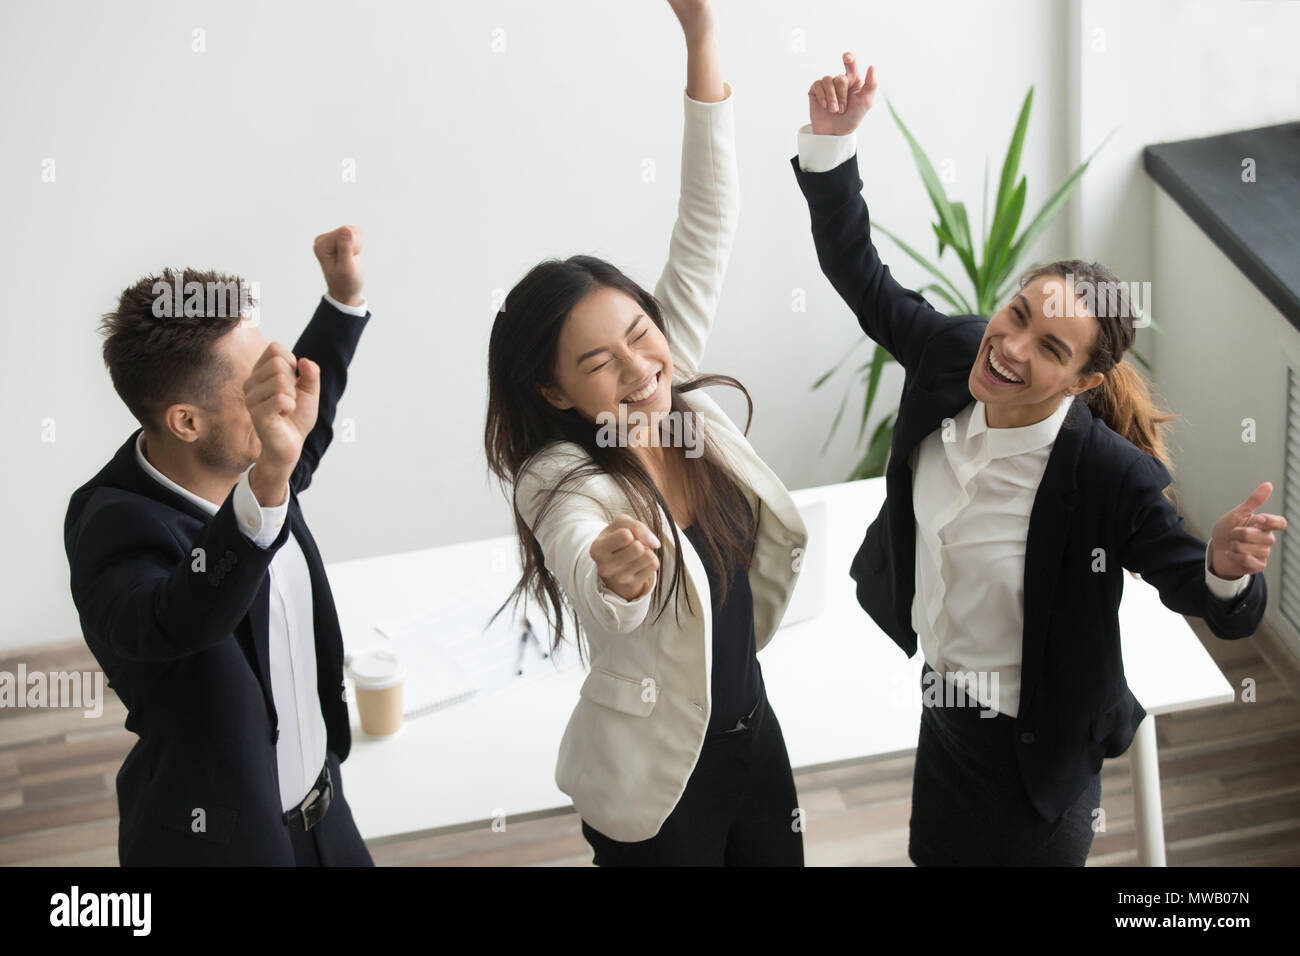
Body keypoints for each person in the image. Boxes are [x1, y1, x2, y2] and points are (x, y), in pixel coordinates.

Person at [792, 54, 1282, 865]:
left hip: (1038, 754)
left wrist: (1228, 568)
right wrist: (833, 146)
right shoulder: (954, 351)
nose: (1009, 347)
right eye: (1016, 314)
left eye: (1049, 347)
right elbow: (861, 277)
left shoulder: (1108, 479)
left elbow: (1199, 587)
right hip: (944, 712)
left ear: (1085, 381)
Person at [484, 0, 806, 866]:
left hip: (752, 734)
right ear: (554, 390)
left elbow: (707, 222)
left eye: (640, 333)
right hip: (661, 784)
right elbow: (584, 557)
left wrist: (701, 38)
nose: (638, 369)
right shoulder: (558, 478)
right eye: (599, 363)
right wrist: (613, 575)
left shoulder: (674, 395)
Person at [64, 226, 375, 866]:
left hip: (329, 821)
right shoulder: (111, 527)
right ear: (186, 421)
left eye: (277, 372)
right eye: (258, 391)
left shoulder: (247, 456)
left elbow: (301, 438)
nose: (282, 403)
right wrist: (266, 480)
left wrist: (342, 302)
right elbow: (180, 615)